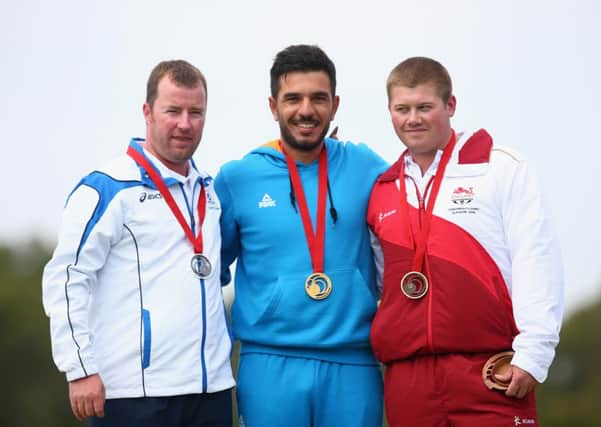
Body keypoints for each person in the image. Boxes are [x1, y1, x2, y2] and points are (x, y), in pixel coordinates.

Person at [367, 56, 564, 426]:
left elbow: (535, 258)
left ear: (450, 105)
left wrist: (534, 353)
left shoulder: (500, 167)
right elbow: (382, 285)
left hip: (490, 370)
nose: (413, 119)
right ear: (390, 111)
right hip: (408, 379)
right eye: (402, 109)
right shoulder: (382, 189)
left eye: (425, 107)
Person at [42, 60, 234, 427]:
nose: (185, 123)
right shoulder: (107, 188)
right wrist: (78, 367)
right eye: (173, 111)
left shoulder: (208, 191)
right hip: (135, 395)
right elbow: (66, 277)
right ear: (147, 112)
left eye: (196, 112)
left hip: (211, 391)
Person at [214, 44, 388, 427]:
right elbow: (208, 273)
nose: (306, 110)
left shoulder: (367, 166)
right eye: (293, 98)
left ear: (335, 105)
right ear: (273, 105)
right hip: (268, 362)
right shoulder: (238, 178)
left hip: (353, 362)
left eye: (318, 98)